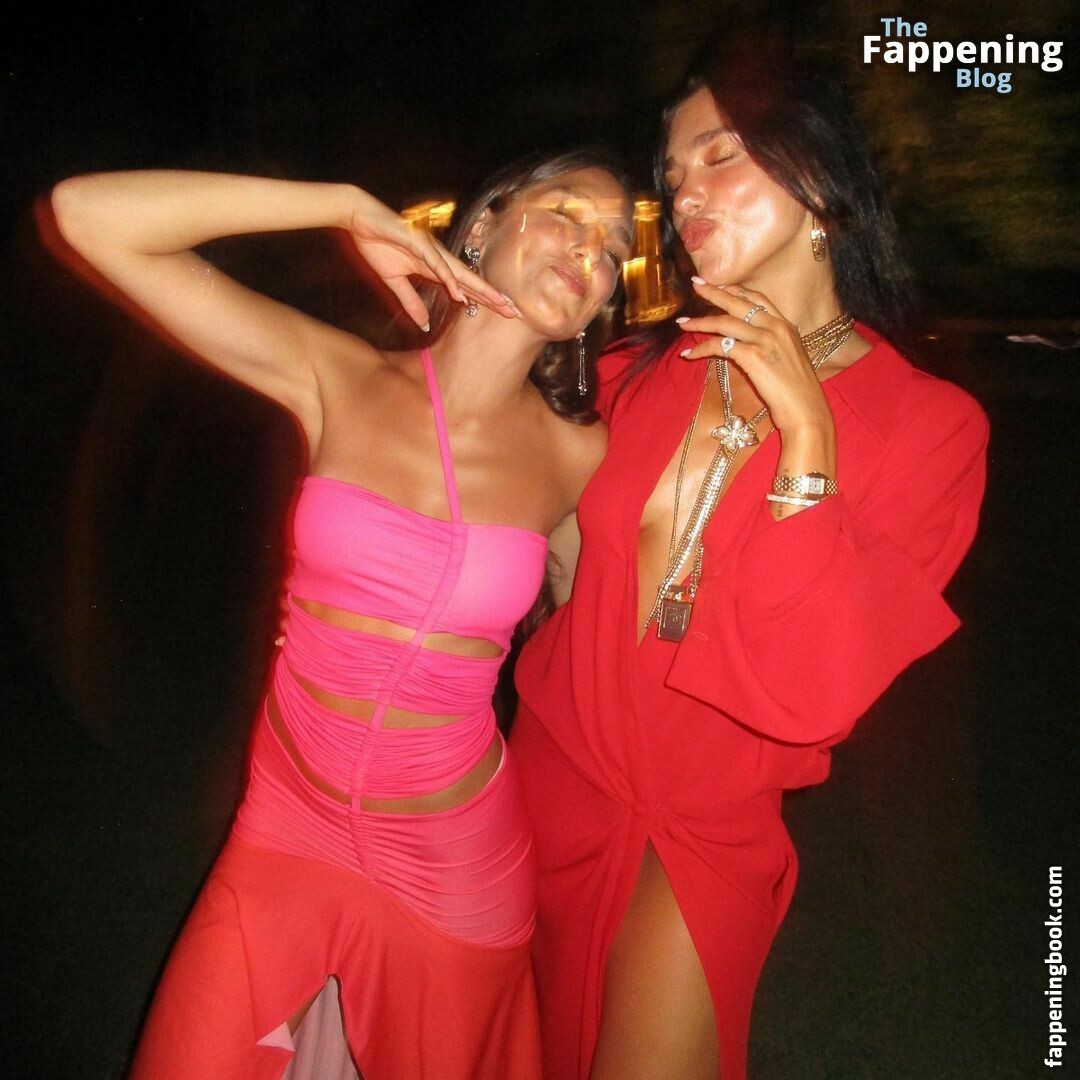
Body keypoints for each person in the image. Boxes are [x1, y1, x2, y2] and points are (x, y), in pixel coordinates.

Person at [48, 150, 633, 1079]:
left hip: (453, 861)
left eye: (613, 246)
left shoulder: (582, 456)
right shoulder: (337, 373)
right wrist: (341, 205)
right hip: (288, 822)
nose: (591, 250)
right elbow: (89, 214)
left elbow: (617, 637)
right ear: (484, 224)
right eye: (566, 211)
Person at [511, 34, 989, 1080]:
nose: (683, 192)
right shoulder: (633, 370)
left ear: (816, 178)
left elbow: (811, 693)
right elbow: (540, 553)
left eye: (720, 154)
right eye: (673, 171)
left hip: (703, 825)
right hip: (548, 778)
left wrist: (807, 437)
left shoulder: (929, 428)